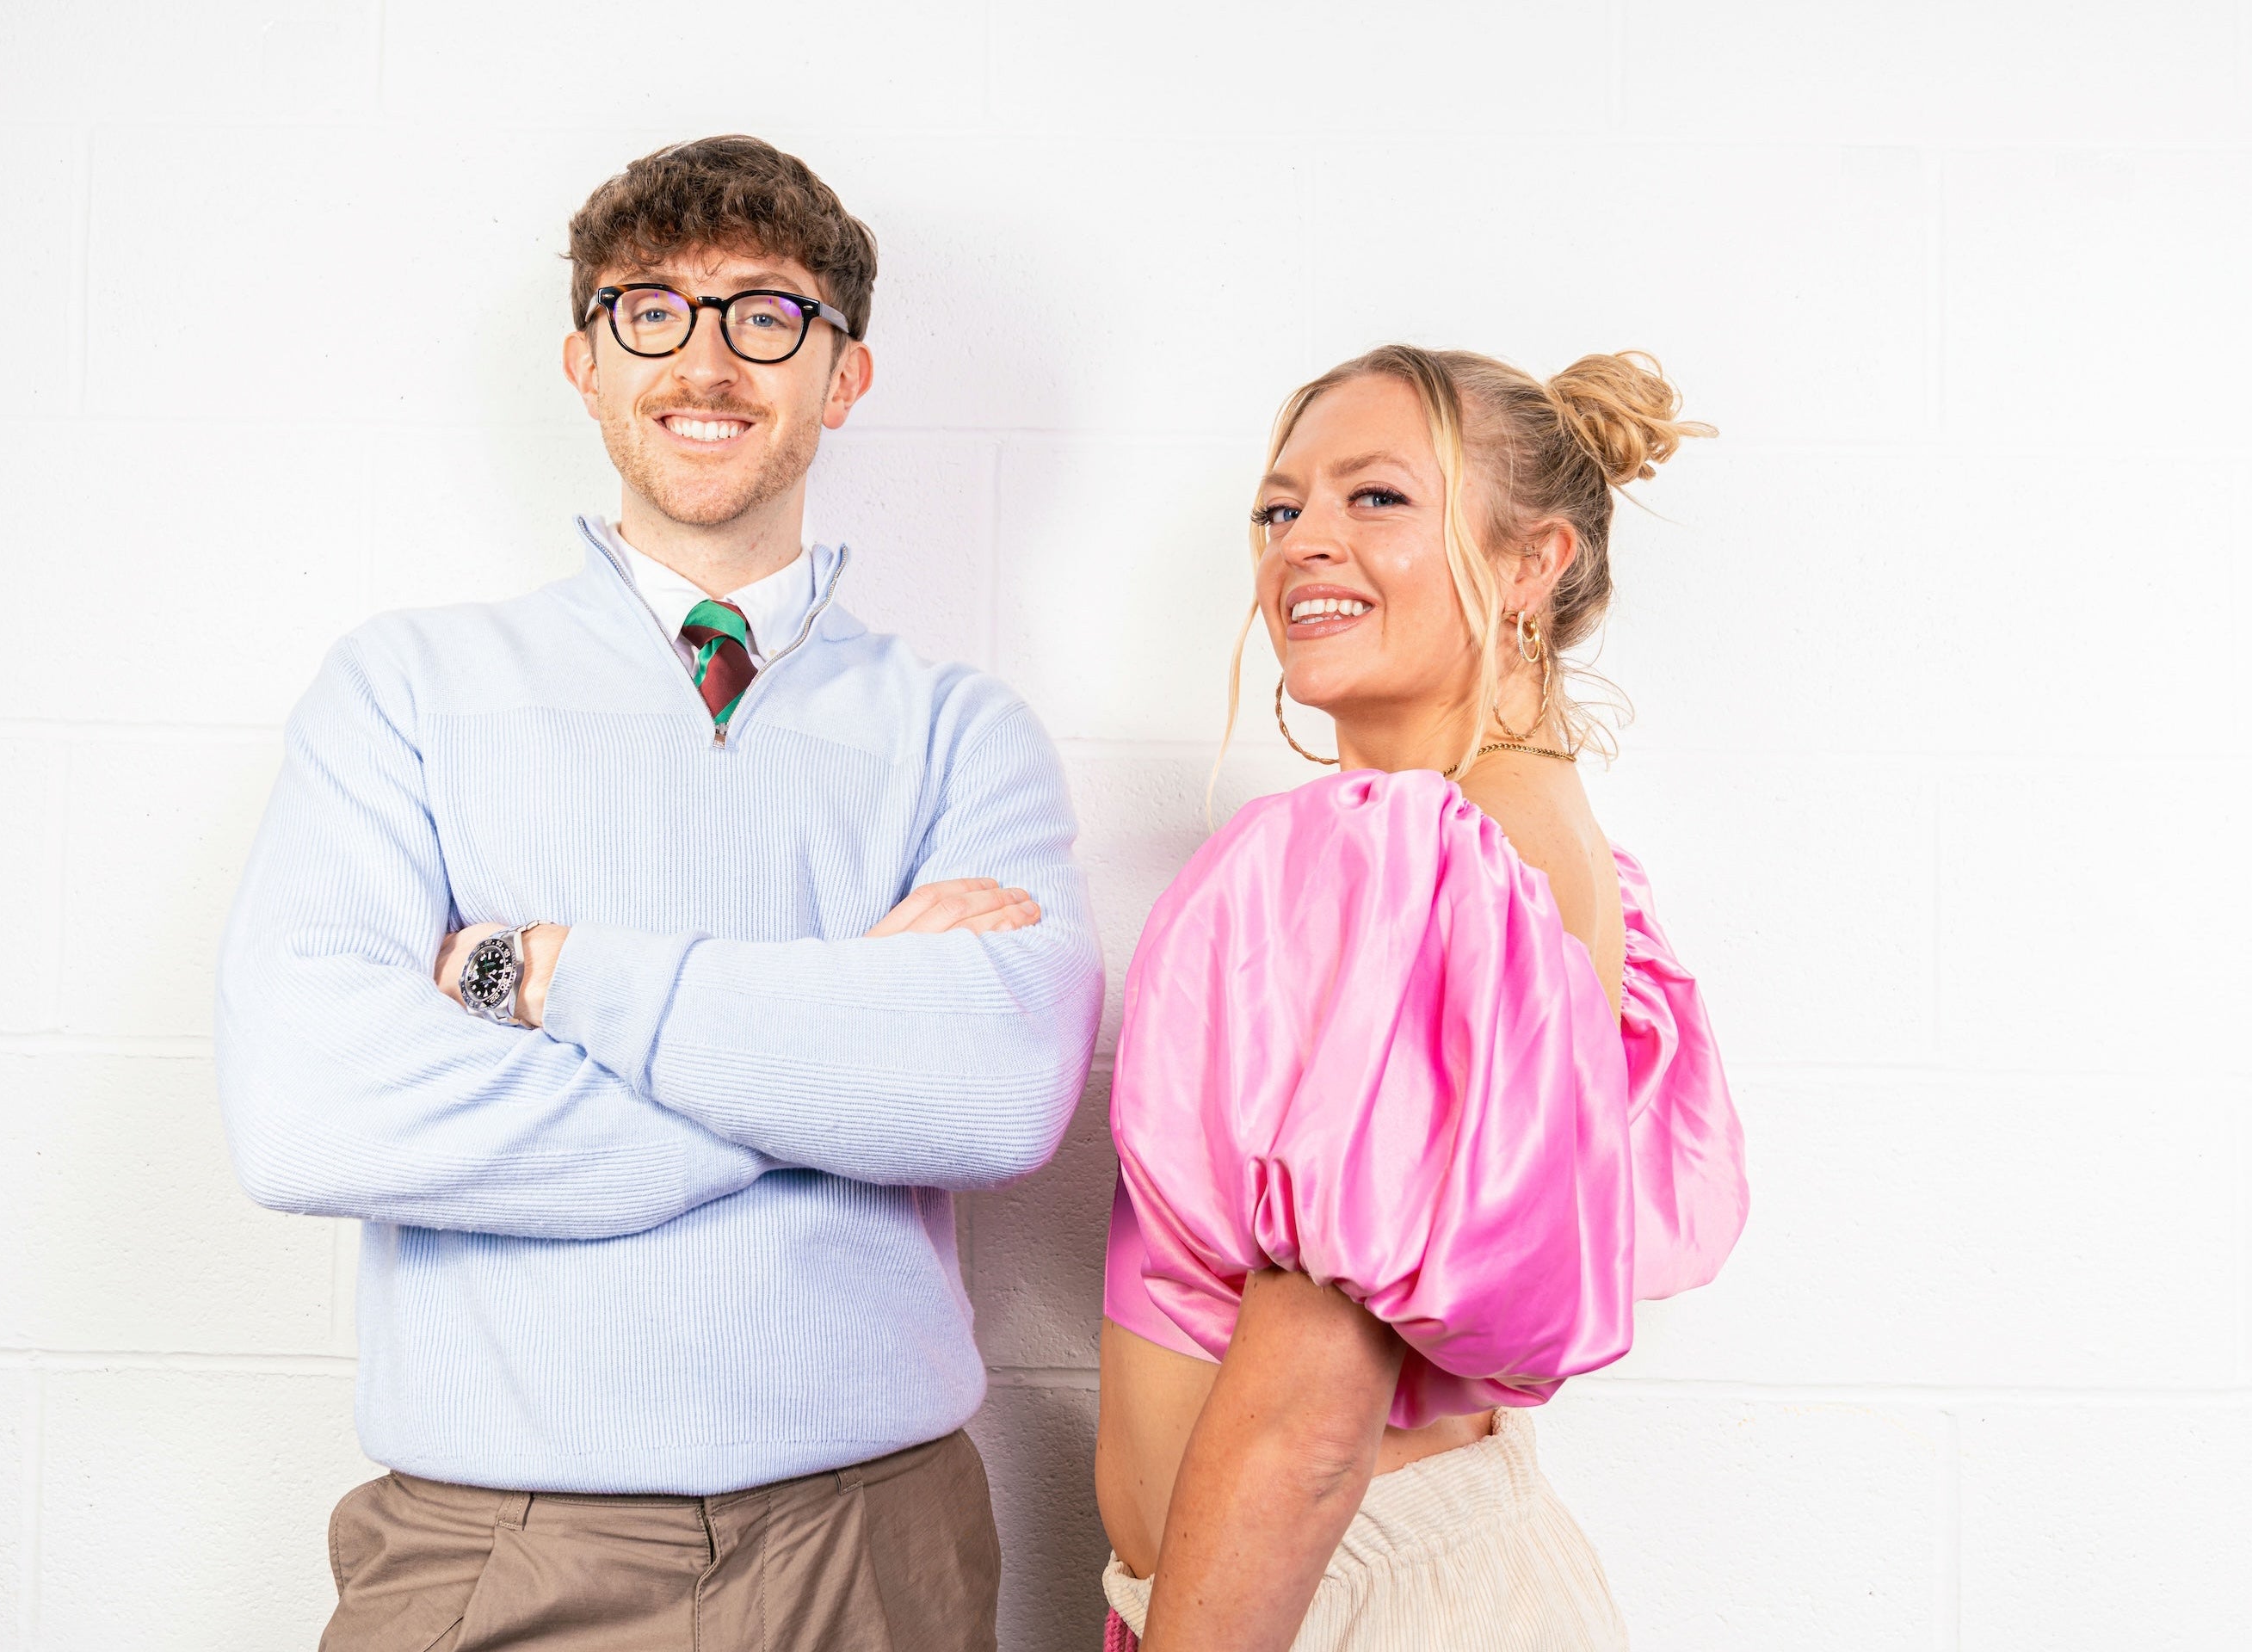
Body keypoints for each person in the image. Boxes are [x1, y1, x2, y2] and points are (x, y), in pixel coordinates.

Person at [214, 134, 1101, 1651]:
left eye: (768, 313)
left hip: (876, 1546)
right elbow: (311, 1111)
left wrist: (555, 975)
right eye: (651, 310)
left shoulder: (963, 730)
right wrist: (832, 1060)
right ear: (585, 363)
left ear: (844, 376)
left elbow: (996, 1096)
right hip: (496, 1547)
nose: (706, 359)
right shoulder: (406, 689)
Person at [1092, 346, 1749, 1651]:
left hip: (1318, 1605)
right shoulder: (1522, 842)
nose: (1302, 542)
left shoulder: (1430, 862)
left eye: (1377, 497)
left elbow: (1306, 1424)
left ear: (1532, 562)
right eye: (1281, 508)